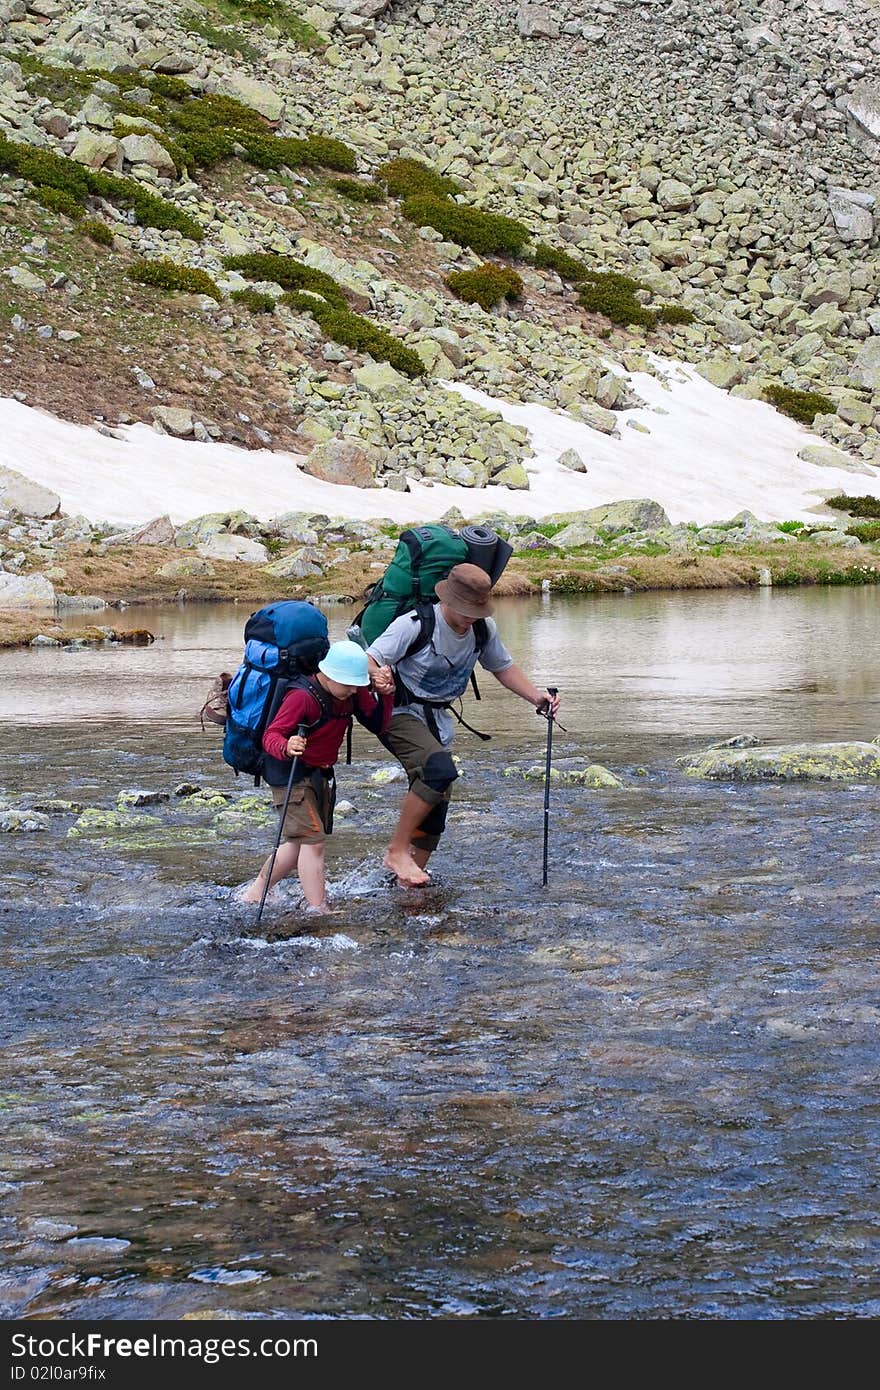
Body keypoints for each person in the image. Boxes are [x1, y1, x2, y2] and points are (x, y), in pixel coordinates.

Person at [366, 562, 561, 887]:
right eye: (465, 609)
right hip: (398, 711)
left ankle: (407, 883)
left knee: (438, 798)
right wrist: (378, 677)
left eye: (476, 609)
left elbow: (502, 667)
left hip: (438, 719)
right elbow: (371, 659)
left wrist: (536, 698)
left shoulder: (483, 629)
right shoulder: (414, 624)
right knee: (439, 771)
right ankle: (397, 850)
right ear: (448, 600)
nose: (470, 616)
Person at [241, 640, 394, 912]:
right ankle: (318, 908)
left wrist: (387, 694)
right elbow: (270, 736)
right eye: (347, 684)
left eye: (355, 684)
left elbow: (379, 725)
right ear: (329, 674)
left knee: (298, 843)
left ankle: (256, 892)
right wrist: (287, 746)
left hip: (320, 774)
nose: (352, 691)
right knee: (314, 842)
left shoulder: (352, 692)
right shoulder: (301, 697)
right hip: (289, 773)